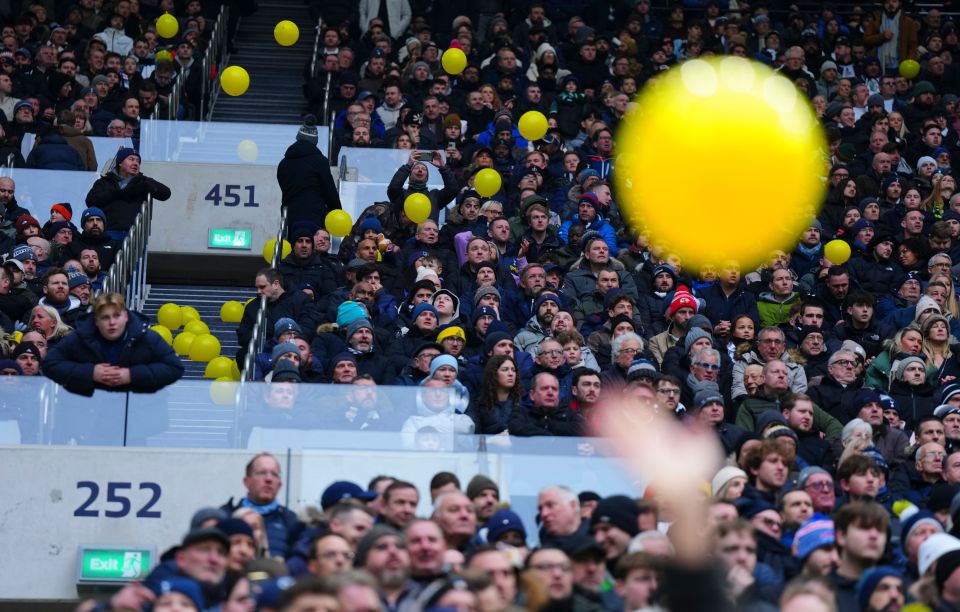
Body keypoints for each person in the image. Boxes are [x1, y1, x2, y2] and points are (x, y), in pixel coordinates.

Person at [43, 291, 183, 395]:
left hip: (136, 414)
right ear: (96, 321)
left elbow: (175, 367)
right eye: (105, 317)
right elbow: (50, 363)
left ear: (126, 316)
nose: (111, 323)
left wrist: (132, 375)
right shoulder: (80, 337)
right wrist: (90, 372)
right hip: (89, 414)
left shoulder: (147, 337)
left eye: (116, 316)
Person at [220, 452, 304, 559]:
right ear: (246, 482)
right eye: (262, 473)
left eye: (274, 474)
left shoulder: (293, 522)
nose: (269, 479)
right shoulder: (225, 516)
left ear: (279, 484)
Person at [85, 147, 170, 240]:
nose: (135, 163)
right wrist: (117, 194)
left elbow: (166, 193)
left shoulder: (144, 181)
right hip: (108, 231)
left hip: (135, 234)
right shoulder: (104, 182)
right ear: (120, 163)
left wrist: (149, 185)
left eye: (138, 161)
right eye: (131, 159)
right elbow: (90, 201)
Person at [277, 116, 342, 236]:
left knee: (296, 247)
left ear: (298, 138)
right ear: (315, 141)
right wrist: (337, 212)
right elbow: (329, 190)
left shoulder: (283, 163)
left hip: (290, 216)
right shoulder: (320, 161)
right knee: (312, 248)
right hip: (314, 215)